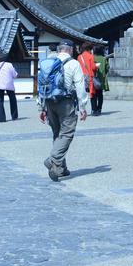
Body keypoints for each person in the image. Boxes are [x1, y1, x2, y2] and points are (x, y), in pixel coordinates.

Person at [37, 41, 88, 181]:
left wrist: (41, 107)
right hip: (65, 102)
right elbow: (80, 86)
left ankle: (60, 168)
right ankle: (53, 160)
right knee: (66, 134)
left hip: (49, 101)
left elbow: (41, 85)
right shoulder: (73, 63)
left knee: (57, 133)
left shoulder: (49, 62)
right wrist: (83, 107)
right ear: (71, 50)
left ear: (59, 50)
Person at [0, 54, 19, 122]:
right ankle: (14, 116)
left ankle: (1, 118)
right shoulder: (9, 65)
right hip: (9, 84)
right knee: (12, 99)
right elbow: (15, 75)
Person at [76, 42, 99, 112]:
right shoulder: (91, 56)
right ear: (89, 49)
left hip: (81, 77)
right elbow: (93, 67)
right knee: (92, 94)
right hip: (90, 77)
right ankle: (94, 110)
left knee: (82, 93)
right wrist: (97, 66)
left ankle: (81, 109)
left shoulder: (79, 57)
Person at [91, 45, 109, 116]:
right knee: (100, 95)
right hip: (101, 80)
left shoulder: (92, 58)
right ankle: (99, 109)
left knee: (93, 94)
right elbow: (107, 68)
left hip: (93, 79)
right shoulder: (103, 59)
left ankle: (94, 109)